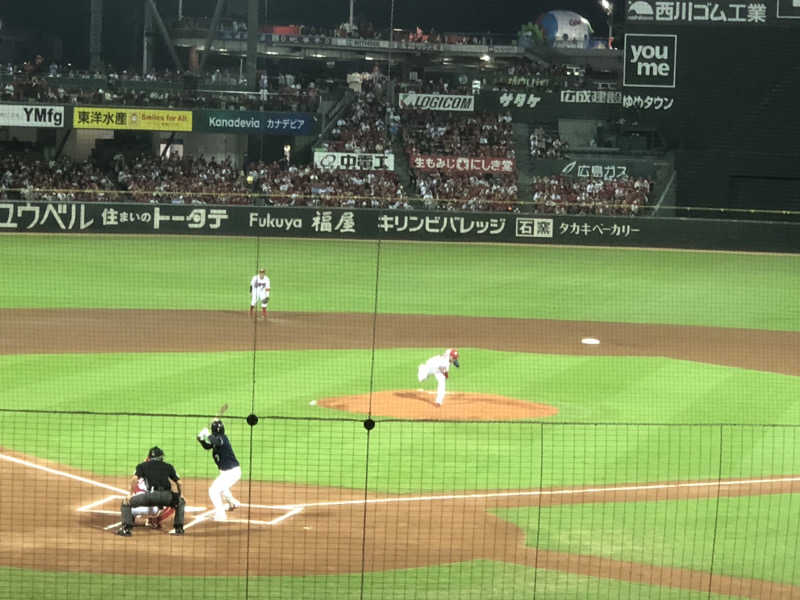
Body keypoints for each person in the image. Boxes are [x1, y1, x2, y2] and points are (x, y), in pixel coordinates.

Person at [117, 446, 185, 536]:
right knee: (180, 502)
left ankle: (126, 529)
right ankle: (178, 529)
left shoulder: (142, 465)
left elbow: (134, 479)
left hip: (151, 496)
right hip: (166, 496)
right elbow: (179, 483)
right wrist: (181, 495)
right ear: (161, 457)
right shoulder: (168, 466)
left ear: (149, 457)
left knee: (126, 502)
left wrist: (131, 494)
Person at [197, 419, 241, 521]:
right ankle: (233, 503)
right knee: (223, 488)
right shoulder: (218, 439)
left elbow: (216, 441)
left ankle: (221, 515)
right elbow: (208, 446)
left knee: (213, 491)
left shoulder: (222, 438)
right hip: (228, 472)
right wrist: (201, 440)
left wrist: (207, 434)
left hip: (231, 473)